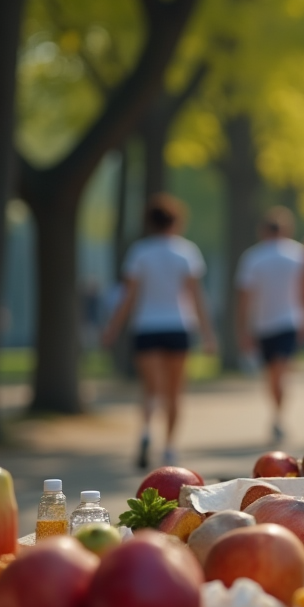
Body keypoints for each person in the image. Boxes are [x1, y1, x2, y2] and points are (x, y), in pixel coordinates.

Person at [102, 194, 216, 469]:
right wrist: (208, 333)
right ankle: (170, 449)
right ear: (176, 221)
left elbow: (128, 296)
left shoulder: (140, 252)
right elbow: (195, 295)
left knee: (150, 389)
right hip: (178, 326)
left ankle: (145, 433)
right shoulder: (186, 251)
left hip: (146, 327)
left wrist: (112, 329)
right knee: (175, 392)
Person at [235, 207, 304, 444]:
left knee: (273, 373)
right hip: (291, 320)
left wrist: (244, 329)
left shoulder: (253, 257)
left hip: (264, 323)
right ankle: (278, 414)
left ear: (263, 231)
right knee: (279, 372)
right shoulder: (300, 255)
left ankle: (277, 416)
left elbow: (245, 296)